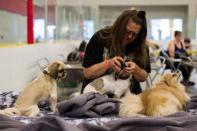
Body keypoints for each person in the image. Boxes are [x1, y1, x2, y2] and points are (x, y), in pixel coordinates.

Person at [81, 9, 151, 95]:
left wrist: (135, 69)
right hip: (96, 96)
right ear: (120, 26)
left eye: (135, 34)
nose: (130, 36)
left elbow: (143, 77)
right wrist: (108, 63)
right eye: (127, 31)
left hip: (129, 97)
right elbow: (87, 73)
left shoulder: (141, 45)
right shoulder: (101, 37)